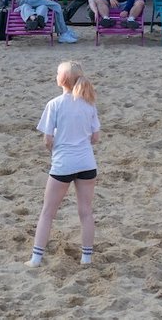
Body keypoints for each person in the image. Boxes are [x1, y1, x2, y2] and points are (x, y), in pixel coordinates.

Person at [27, 61, 100, 268]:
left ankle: (36, 258)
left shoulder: (55, 104)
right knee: (85, 211)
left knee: (48, 212)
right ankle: (86, 258)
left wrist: (55, 147)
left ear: (62, 80)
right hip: (87, 163)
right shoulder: (89, 103)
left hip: (63, 164)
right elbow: (95, 137)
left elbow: (47, 140)